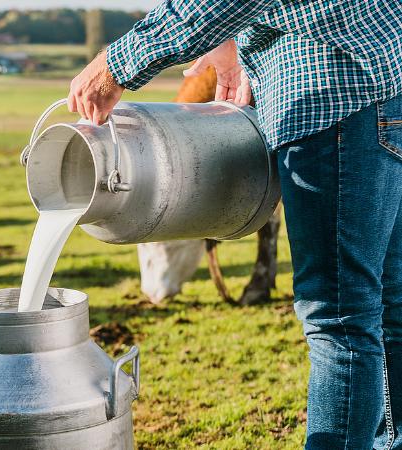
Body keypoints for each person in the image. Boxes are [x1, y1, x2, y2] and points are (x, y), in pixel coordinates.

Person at [68, 1, 402, 448]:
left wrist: (114, 65)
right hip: (379, 85)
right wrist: (234, 40)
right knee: (386, 302)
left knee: (339, 315)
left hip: (333, 91)